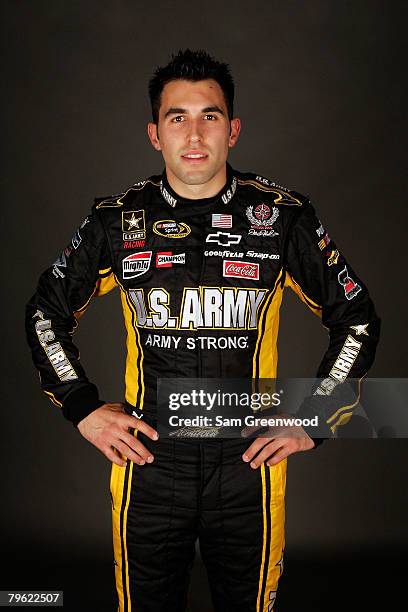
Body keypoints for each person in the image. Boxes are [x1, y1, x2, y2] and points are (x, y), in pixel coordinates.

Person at [26, 49, 380, 612]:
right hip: (148, 462)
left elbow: (357, 319)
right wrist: (81, 407)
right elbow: (46, 312)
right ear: (154, 134)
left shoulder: (282, 217)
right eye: (177, 117)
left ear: (233, 130)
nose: (194, 133)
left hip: (248, 467)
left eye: (209, 116)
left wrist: (317, 418)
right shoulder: (118, 221)